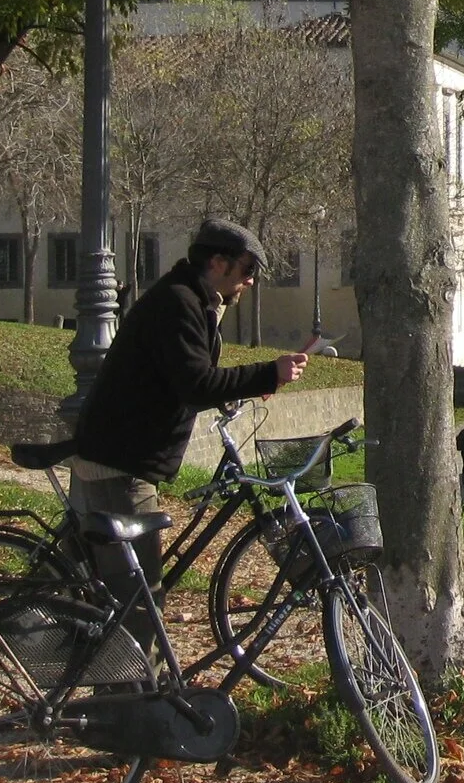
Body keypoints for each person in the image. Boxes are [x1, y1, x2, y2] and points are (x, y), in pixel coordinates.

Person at [68, 219, 305, 590]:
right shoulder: (179, 303)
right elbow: (196, 384)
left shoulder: (191, 300)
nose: (251, 281)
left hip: (125, 456)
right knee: (141, 597)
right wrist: (268, 372)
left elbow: (183, 377)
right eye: (248, 270)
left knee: (110, 588)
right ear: (218, 263)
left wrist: (245, 386)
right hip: (119, 464)